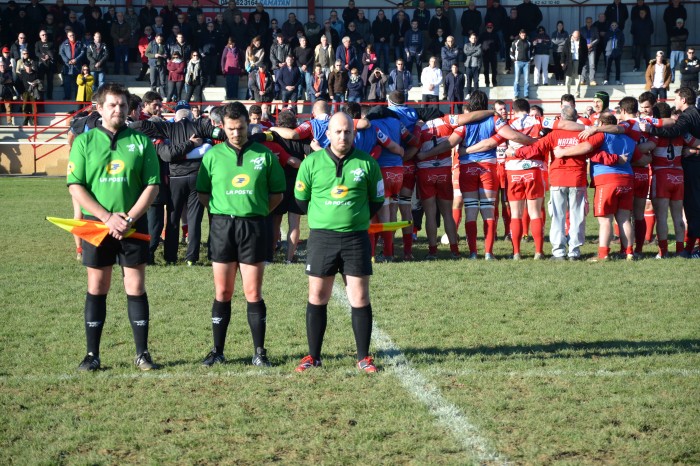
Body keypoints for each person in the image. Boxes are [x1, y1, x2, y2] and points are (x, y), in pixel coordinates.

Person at [67, 82, 160, 372]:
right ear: (99, 108)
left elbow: (152, 185)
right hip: (96, 226)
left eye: (122, 105)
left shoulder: (141, 141)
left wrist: (128, 218)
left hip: (132, 225)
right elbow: (76, 186)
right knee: (97, 287)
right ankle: (92, 355)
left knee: (135, 286)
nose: (118, 109)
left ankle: (142, 354)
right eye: (112, 105)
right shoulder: (84, 142)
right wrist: (107, 218)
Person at [195, 102, 285, 367]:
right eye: (231, 129)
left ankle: (259, 352)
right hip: (223, 227)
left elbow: (277, 193)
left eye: (241, 128)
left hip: (254, 227)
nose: (236, 133)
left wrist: (254, 211)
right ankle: (218, 350)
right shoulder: (212, 156)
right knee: (222, 291)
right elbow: (203, 192)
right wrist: (223, 210)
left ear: (249, 125)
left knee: (253, 292)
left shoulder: (264, 155)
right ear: (222, 127)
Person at [294, 111, 384, 374]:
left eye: (347, 131)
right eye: (338, 131)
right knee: (317, 296)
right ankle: (313, 355)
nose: (343, 136)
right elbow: (301, 200)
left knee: (359, 296)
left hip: (356, 238)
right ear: (328, 134)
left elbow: (376, 200)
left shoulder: (367, 163)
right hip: (322, 238)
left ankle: (363, 357)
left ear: (353, 134)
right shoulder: (311, 163)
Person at [641, 87, 700, 255]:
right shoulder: (684, 135)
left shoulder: (658, 134)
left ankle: (663, 252)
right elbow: (695, 142)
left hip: (661, 175)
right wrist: (695, 150)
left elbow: (649, 148)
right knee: (679, 215)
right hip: (679, 175)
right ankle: (682, 249)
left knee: (661, 216)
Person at [59, 29, 85, 101]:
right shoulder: (64, 44)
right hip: (68, 66)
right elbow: (61, 53)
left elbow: (82, 52)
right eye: (70, 36)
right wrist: (68, 61)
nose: (72, 37)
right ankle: (67, 96)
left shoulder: (79, 43)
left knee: (78, 82)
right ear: (67, 36)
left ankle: (78, 97)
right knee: (67, 82)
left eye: (73, 35)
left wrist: (76, 60)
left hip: (77, 65)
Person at [510, 29, 532, 99]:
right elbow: (511, 51)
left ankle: (526, 94)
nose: (523, 35)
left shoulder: (528, 43)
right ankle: (516, 94)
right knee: (517, 79)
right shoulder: (516, 42)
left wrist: (530, 59)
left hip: (526, 63)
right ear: (519, 34)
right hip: (518, 62)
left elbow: (532, 51)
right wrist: (514, 60)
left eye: (524, 34)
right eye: (522, 34)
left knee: (527, 80)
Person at [146, 33, 168, 97]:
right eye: (158, 39)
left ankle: (163, 95)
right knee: (153, 81)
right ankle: (153, 95)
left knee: (162, 81)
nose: (159, 41)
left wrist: (165, 55)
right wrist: (154, 55)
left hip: (162, 64)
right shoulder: (151, 44)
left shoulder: (164, 44)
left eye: (160, 39)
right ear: (155, 38)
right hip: (153, 64)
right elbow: (146, 53)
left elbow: (166, 52)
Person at [579, 17, 599, 86]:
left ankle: (592, 80)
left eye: (590, 22)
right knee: (583, 65)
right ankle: (582, 80)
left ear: (592, 22)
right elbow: (579, 39)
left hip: (592, 49)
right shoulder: (581, 29)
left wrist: (591, 44)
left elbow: (597, 38)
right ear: (585, 22)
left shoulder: (595, 29)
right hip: (584, 49)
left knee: (592, 64)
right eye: (587, 22)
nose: (589, 23)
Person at [668, 18, 688, 83]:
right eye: (678, 23)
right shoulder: (672, 30)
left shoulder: (685, 30)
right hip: (673, 50)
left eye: (680, 23)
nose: (679, 24)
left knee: (681, 65)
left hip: (682, 50)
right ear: (676, 23)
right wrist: (679, 38)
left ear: (682, 24)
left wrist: (676, 37)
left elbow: (684, 37)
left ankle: (681, 79)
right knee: (672, 65)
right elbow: (671, 38)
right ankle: (672, 78)